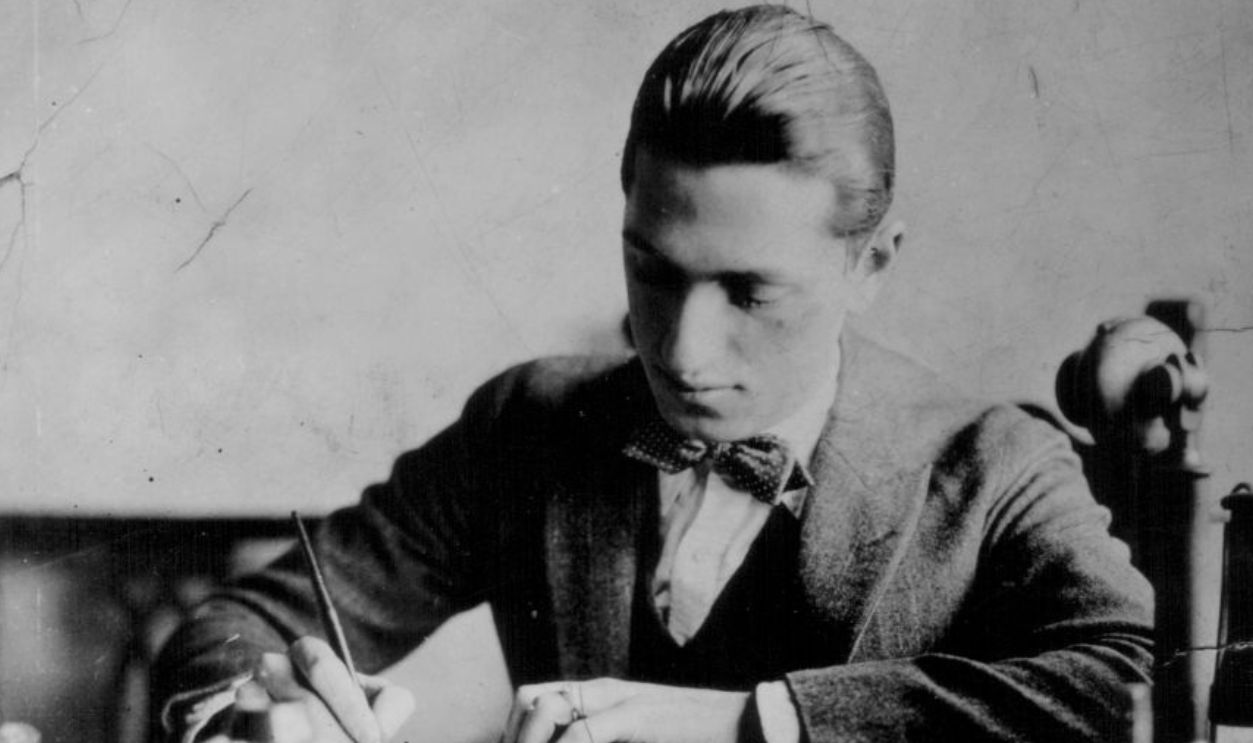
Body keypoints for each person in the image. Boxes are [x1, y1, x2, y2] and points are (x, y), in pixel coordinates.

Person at [153, 6, 1154, 743]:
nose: (679, 351)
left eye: (751, 294)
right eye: (651, 272)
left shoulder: (994, 463)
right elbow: (237, 623)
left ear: (870, 265)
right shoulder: (529, 420)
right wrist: (251, 714)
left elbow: (1132, 683)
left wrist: (756, 721)